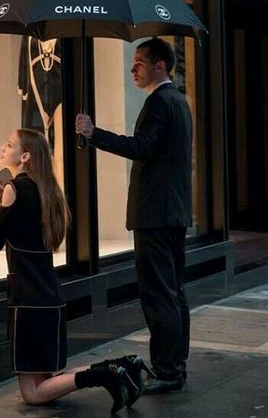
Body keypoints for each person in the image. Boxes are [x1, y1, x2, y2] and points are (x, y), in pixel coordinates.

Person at [0, 129, 142, 414]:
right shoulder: (49, 192)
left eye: (9, 145)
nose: (2, 148)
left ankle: (104, 375)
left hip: (27, 301)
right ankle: (118, 367)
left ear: (25, 156)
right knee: (47, 382)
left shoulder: (13, 189)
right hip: (50, 298)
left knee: (32, 394)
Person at [76, 37, 192, 394]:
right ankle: (175, 365)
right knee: (173, 293)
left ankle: (168, 369)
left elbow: (141, 147)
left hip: (156, 214)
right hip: (171, 212)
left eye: (139, 63)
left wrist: (94, 134)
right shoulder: (178, 101)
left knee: (159, 295)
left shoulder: (160, 102)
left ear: (160, 65)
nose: (132, 69)